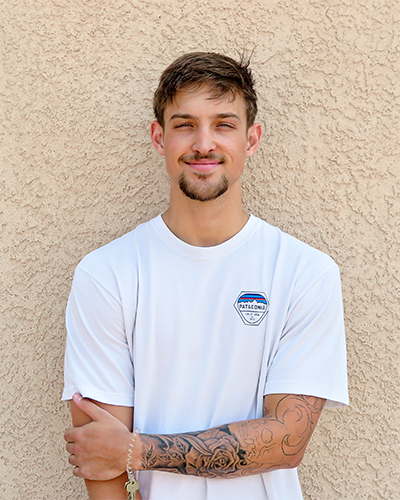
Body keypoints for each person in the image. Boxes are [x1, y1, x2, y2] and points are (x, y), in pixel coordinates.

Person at [63, 52, 348, 500]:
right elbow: (101, 460)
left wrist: (137, 450)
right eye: (185, 124)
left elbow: (287, 441)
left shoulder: (304, 272)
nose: (203, 143)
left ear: (251, 140)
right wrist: (119, 453)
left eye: (223, 125)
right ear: (159, 138)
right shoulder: (107, 274)